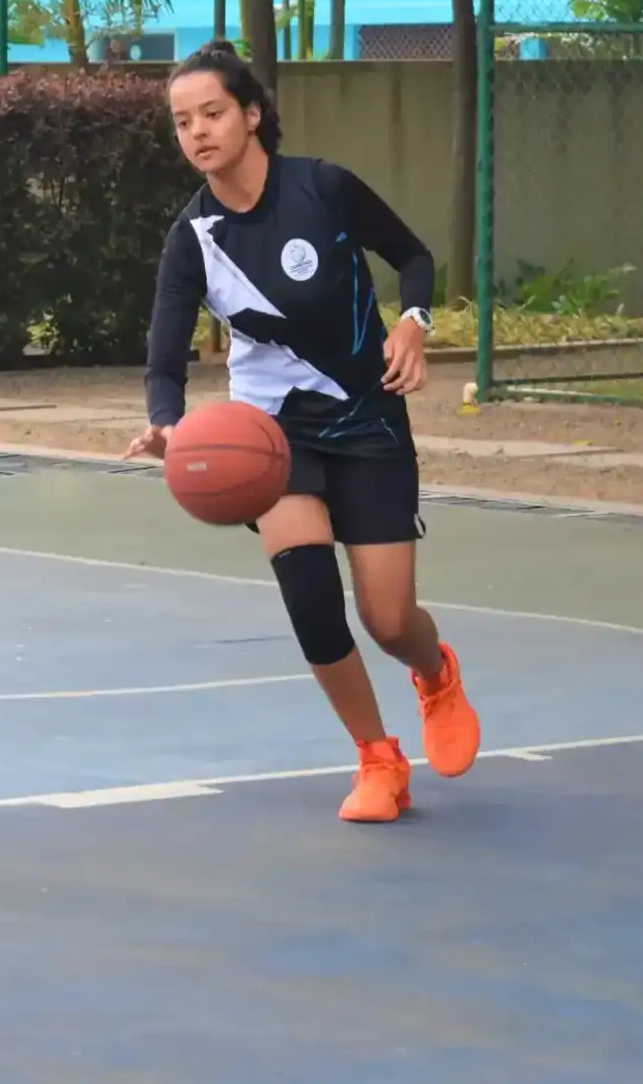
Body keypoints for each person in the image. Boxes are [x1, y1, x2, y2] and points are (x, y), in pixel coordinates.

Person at [124, 40, 480, 824]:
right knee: (313, 599)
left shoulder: (322, 188)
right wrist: (166, 427)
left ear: (252, 115)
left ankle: (433, 671)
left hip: (367, 415)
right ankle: (378, 759)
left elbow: (413, 257)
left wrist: (414, 322)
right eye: (183, 122)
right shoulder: (195, 238)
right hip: (270, 435)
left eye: (212, 113)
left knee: (387, 619)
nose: (198, 133)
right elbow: (163, 358)